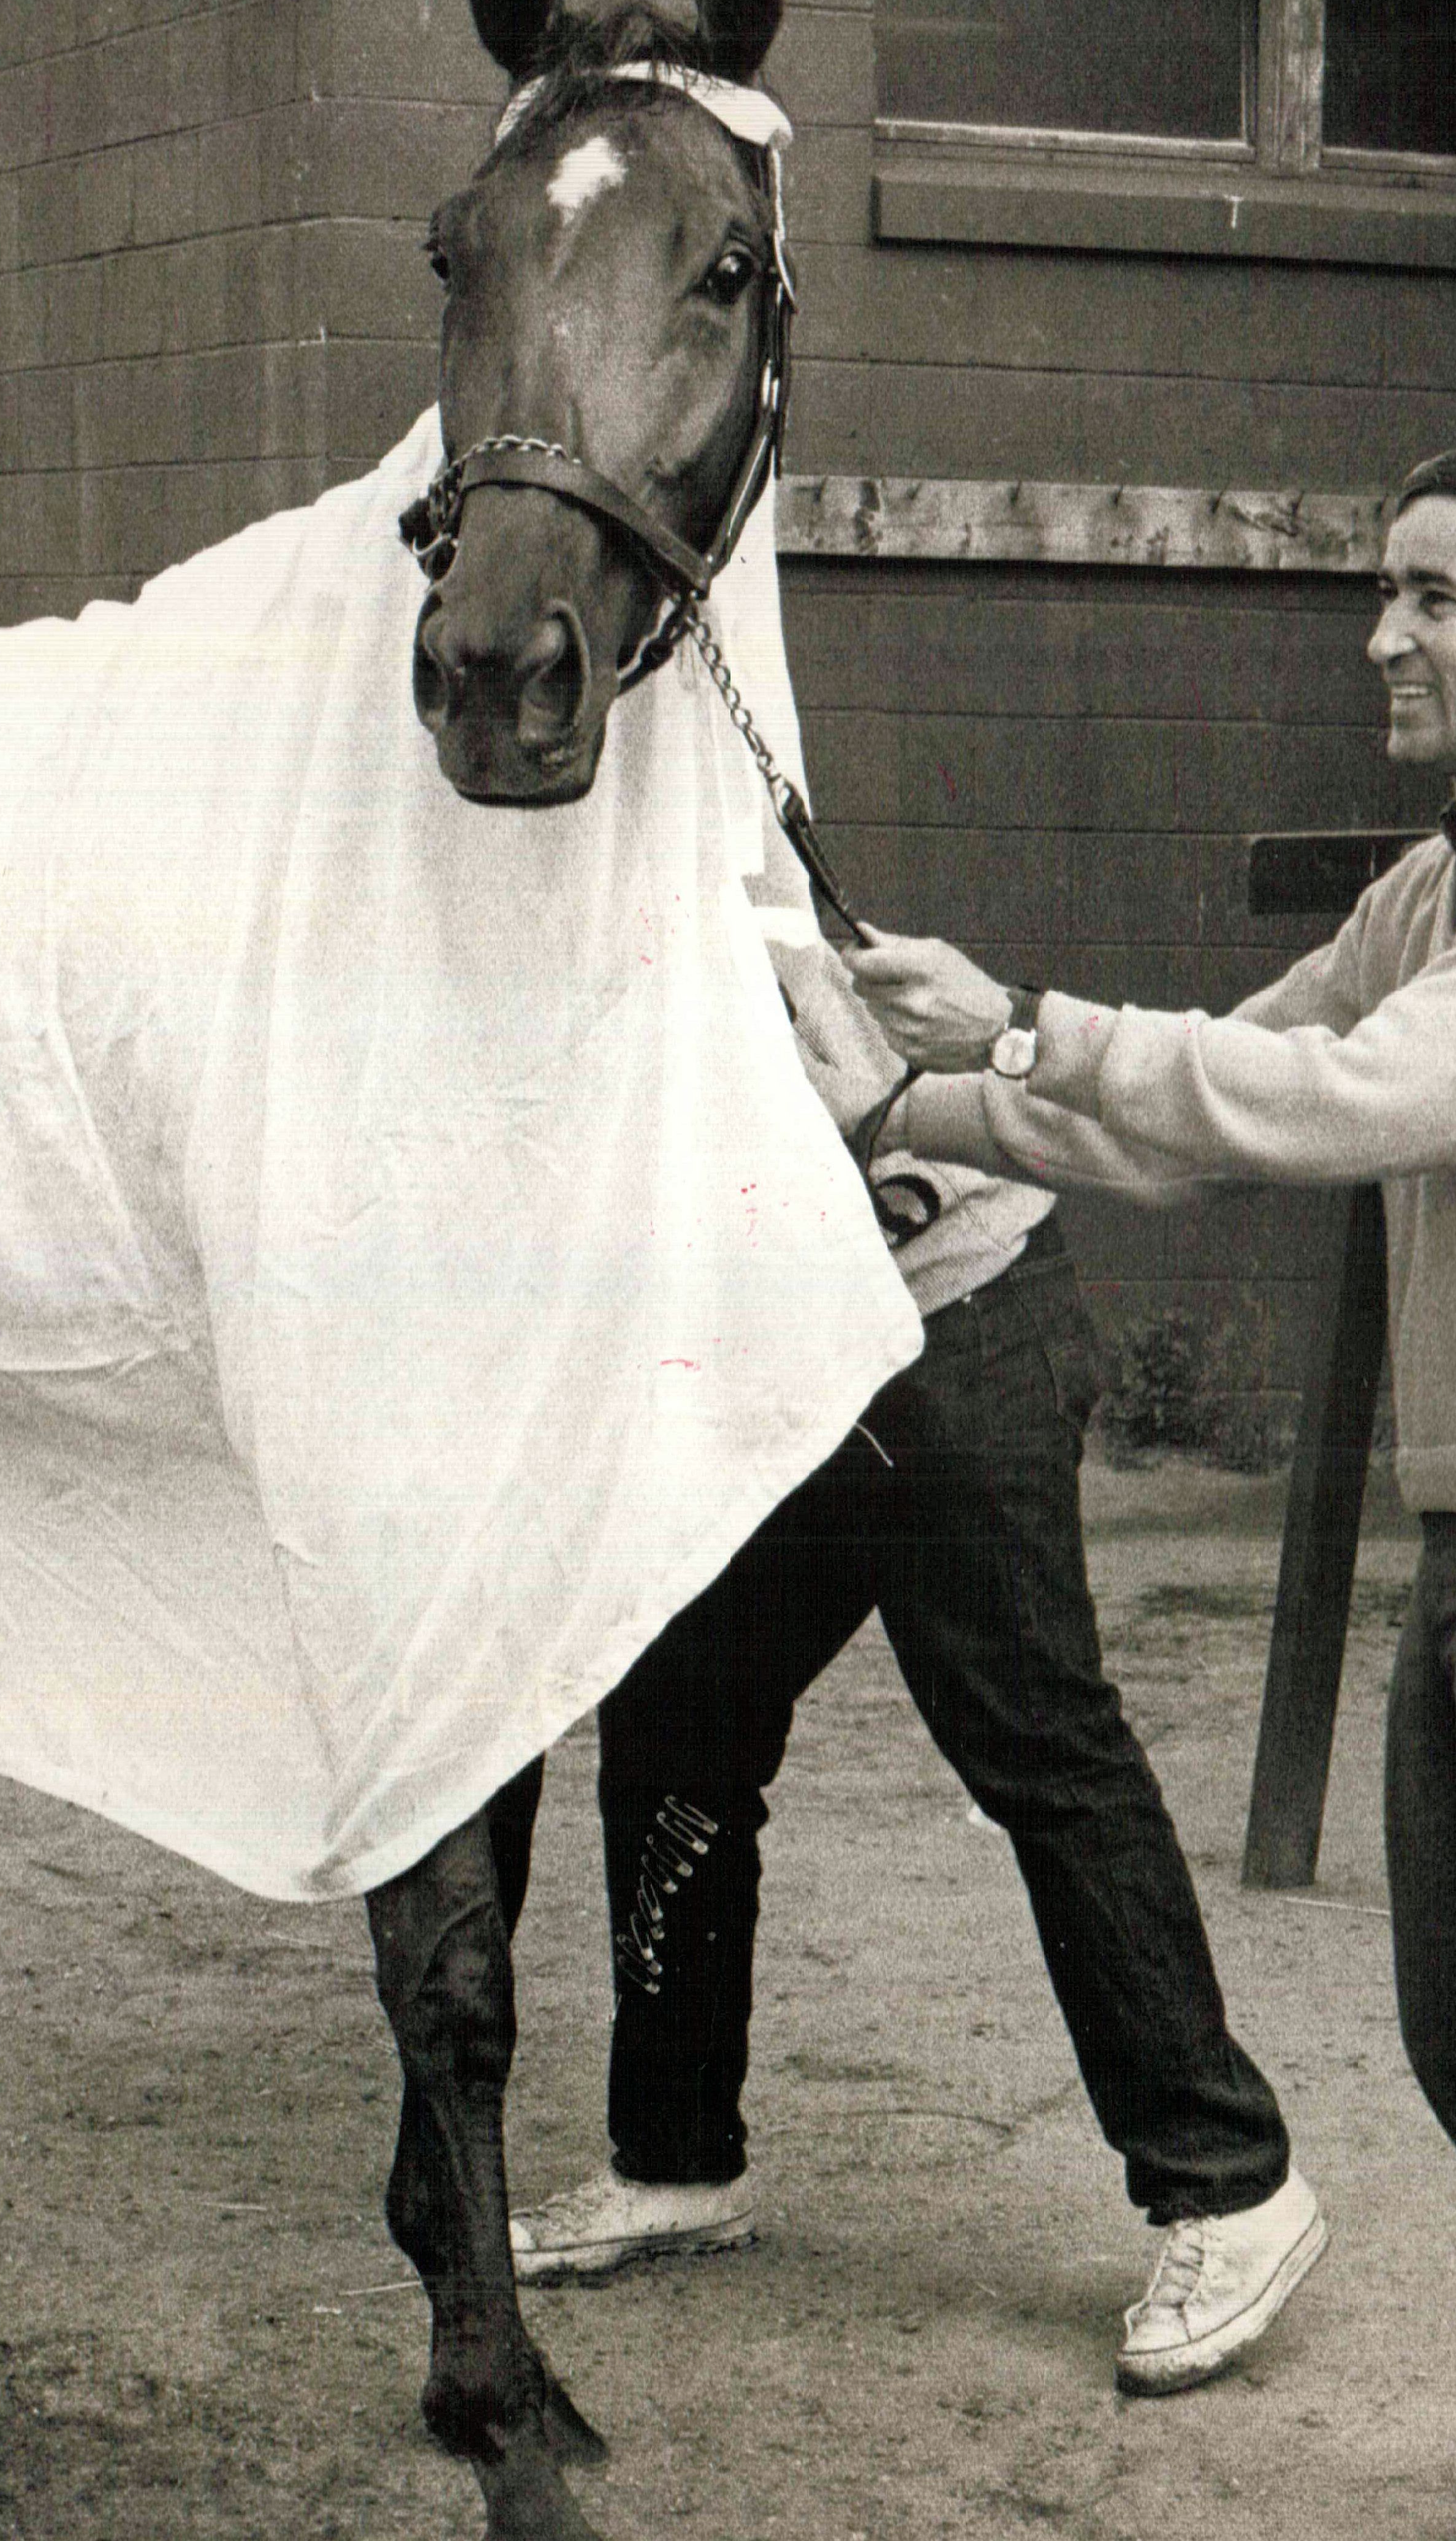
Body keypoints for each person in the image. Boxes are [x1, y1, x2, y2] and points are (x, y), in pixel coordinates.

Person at [843, 437, 1456, 2540]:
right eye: (1382, 591)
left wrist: (1028, 1022)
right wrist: (898, 1096)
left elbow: (1366, 1100)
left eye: (1431, 599)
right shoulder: (1449, 871)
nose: (1379, 634)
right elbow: (1207, 1119)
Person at [507, 940, 1327, 2401]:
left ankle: (1230, 2183)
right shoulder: (537, 981)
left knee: (1036, 1747)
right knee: (678, 1718)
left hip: (956, 1332)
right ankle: (680, 2155)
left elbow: (826, 1175)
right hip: (818, 1367)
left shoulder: (728, 943)